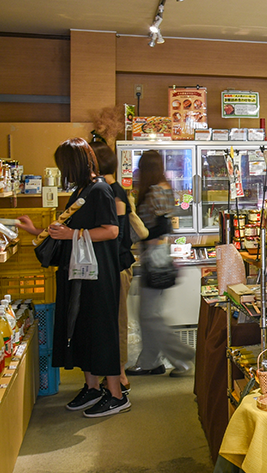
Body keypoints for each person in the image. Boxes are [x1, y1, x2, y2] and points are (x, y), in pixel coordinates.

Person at [16, 138, 127, 417]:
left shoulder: (100, 190)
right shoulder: (81, 191)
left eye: (63, 165)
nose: (62, 171)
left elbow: (111, 231)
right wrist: (36, 230)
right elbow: (66, 231)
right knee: (80, 328)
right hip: (79, 272)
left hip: (98, 274)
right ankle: (92, 387)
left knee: (101, 330)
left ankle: (116, 394)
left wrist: (72, 234)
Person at [128, 150, 195, 377]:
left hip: (154, 256)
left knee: (149, 315)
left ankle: (182, 357)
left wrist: (144, 236)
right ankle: (150, 361)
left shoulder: (154, 191)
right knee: (148, 314)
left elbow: (159, 226)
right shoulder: (165, 188)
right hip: (161, 254)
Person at [90, 139, 135, 394]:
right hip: (111, 266)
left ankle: (120, 375)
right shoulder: (106, 189)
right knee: (110, 322)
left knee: (116, 322)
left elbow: (116, 236)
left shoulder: (113, 192)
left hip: (116, 266)